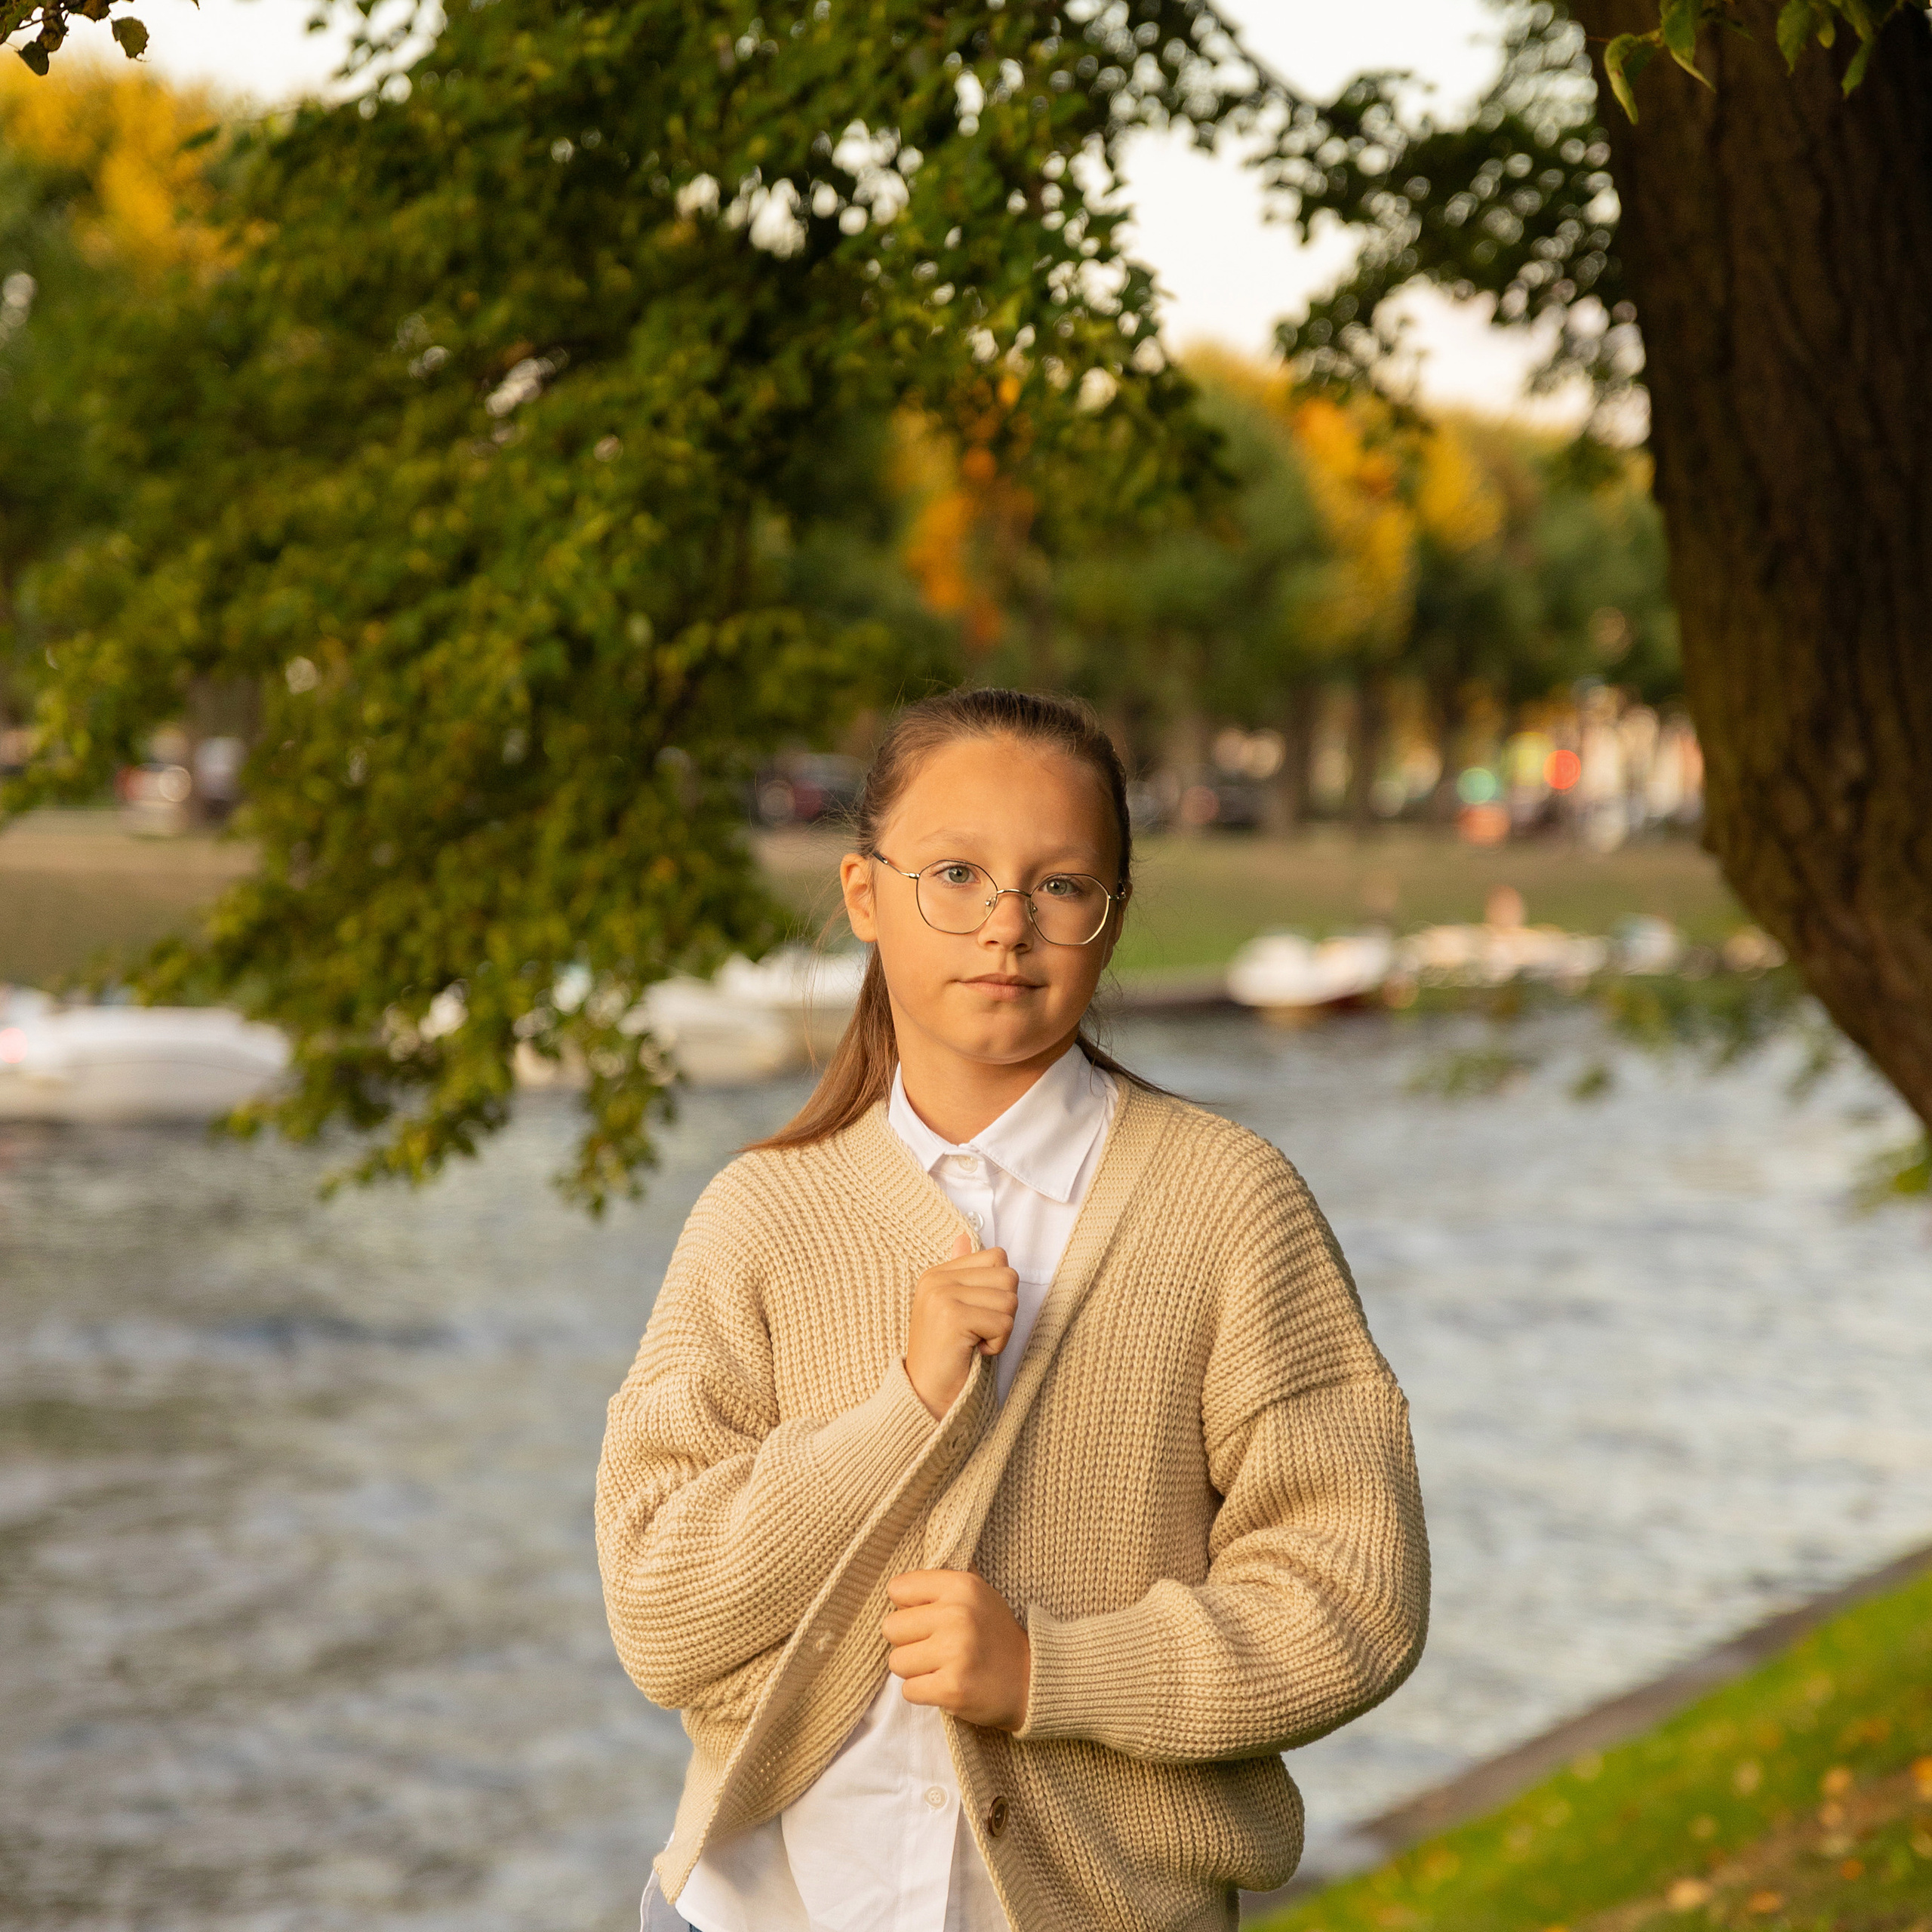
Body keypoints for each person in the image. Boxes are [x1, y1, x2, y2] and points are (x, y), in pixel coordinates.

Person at [596, 688, 1429, 1932]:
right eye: (956, 874)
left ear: (1113, 920)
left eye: (1059, 887)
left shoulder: (1228, 1207)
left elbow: (1354, 1595)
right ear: (866, 895)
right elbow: (660, 1611)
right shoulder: (759, 1214)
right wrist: (905, 1411)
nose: (1006, 928)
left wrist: (1052, 1671)